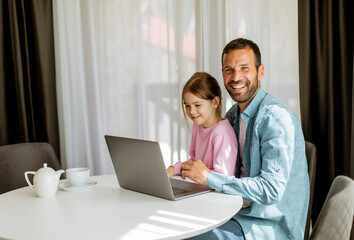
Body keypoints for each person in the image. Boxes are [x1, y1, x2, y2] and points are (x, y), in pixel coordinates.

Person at [181, 38, 310, 240]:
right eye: (228, 70)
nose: (236, 77)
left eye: (244, 68)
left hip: (268, 227)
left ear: (260, 72)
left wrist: (209, 178)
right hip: (236, 212)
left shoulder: (275, 118)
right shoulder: (234, 115)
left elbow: (271, 190)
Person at [167, 72, 238, 177]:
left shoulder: (222, 133)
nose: (191, 111)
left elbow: (223, 178)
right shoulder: (198, 126)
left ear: (215, 102)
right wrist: (174, 169)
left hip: (217, 192)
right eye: (187, 106)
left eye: (197, 105)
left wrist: (196, 175)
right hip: (202, 187)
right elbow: (193, 162)